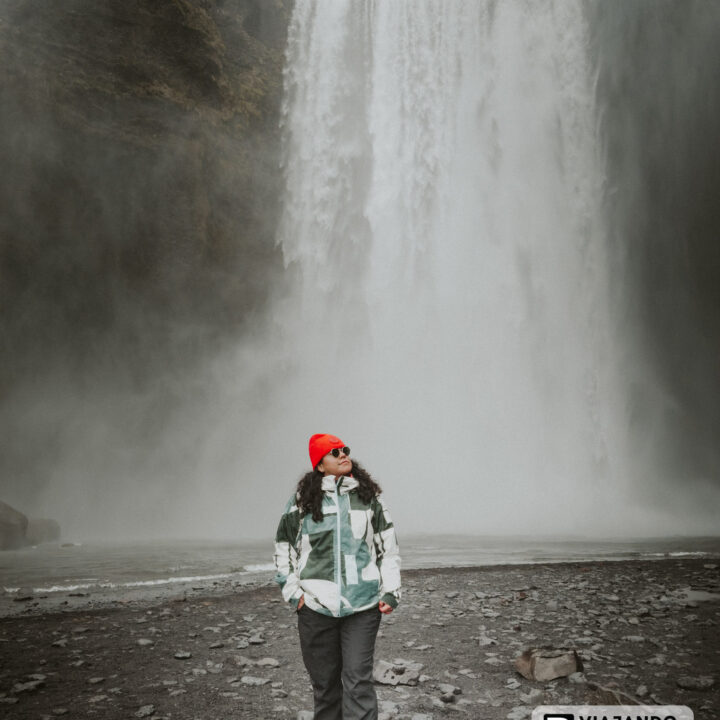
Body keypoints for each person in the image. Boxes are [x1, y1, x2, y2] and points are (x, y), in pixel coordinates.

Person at [274, 433, 401, 720]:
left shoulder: (369, 498)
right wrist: (294, 594)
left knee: (358, 682)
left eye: (344, 449)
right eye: (334, 452)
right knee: (326, 688)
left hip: (363, 606)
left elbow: (388, 547)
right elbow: (284, 547)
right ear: (320, 465)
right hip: (315, 608)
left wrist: (391, 590)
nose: (343, 454)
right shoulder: (302, 502)